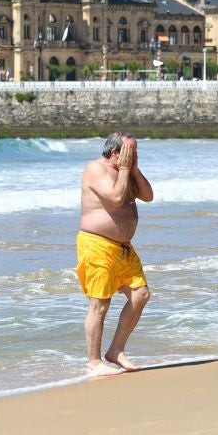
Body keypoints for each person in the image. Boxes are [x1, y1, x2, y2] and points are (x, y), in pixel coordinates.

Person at [76, 132, 154, 376]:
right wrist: (125, 170)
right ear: (115, 153)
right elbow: (117, 198)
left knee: (140, 294)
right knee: (100, 304)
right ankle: (94, 361)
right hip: (97, 245)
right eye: (131, 151)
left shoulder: (127, 171)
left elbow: (148, 196)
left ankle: (116, 351)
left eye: (136, 151)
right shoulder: (95, 169)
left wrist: (134, 169)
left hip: (123, 248)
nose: (135, 155)